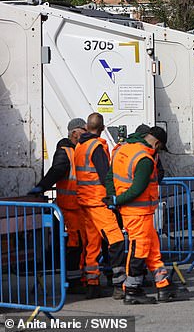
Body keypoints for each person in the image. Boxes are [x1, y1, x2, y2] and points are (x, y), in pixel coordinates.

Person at [105, 126, 181, 304]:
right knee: (139, 251)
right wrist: (117, 200)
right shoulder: (144, 159)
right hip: (138, 212)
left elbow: (110, 177)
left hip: (132, 211)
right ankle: (132, 290)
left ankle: (163, 285)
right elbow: (138, 189)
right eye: (159, 148)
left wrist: (114, 199)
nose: (158, 152)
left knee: (151, 249)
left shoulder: (121, 149)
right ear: (157, 143)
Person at [30, 118, 88, 293]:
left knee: (80, 244)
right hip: (71, 207)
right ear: (74, 132)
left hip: (79, 206)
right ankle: (73, 281)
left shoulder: (76, 150)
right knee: (74, 244)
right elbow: (56, 171)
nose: (86, 133)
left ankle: (79, 278)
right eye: (83, 130)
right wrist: (41, 187)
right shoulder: (66, 151)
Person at [74, 113, 125, 300]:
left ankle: (92, 284)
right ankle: (120, 284)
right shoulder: (97, 147)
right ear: (102, 128)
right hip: (98, 201)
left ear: (87, 127)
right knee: (116, 239)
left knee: (92, 245)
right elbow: (105, 175)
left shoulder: (80, 146)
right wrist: (114, 196)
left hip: (85, 202)